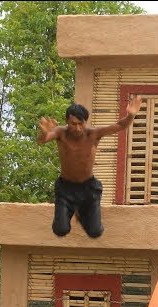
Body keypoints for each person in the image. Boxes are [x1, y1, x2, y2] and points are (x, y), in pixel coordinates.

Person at [36, 95, 144, 239]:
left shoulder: (93, 134)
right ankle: (72, 210)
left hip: (88, 187)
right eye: (73, 124)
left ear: (85, 121)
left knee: (95, 232)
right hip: (65, 187)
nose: (78, 128)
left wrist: (130, 115)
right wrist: (44, 133)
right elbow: (43, 140)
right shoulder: (61, 133)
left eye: (81, 123)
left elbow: (120, 125)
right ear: (67, 121)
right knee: (60, 230)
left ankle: (81, 213)